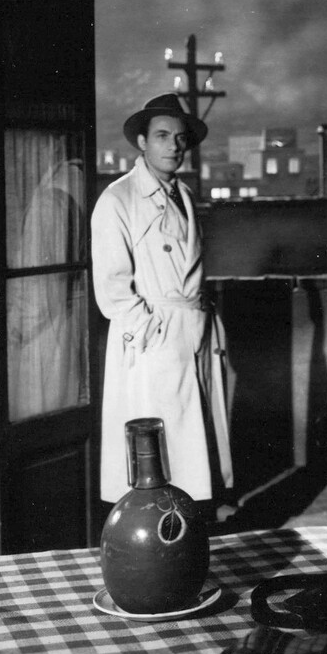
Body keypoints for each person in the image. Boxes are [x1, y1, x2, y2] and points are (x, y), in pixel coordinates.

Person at [92, 93, 232, 516]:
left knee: (192, 450)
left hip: (192, 332)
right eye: (162, 136)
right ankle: (159, 535)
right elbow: (112, 285)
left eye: (180, 137)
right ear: (141, 142)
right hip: (153, 343)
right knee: (159, 457)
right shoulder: (119, 199)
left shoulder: (183, 195)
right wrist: (150, 331)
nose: (174, 145)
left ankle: (191, 527)